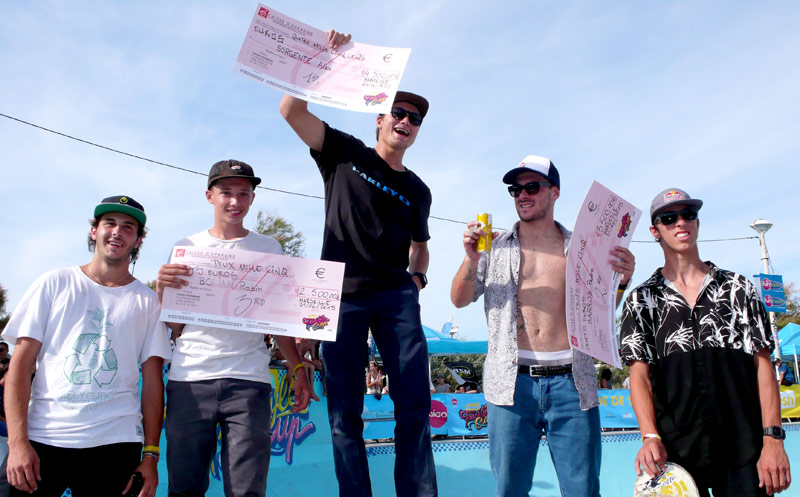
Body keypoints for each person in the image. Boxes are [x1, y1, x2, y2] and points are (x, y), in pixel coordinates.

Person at [279, 29, 437, 497]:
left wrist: (417, 277)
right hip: (338, 296)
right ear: (379, 118)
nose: (406, 120)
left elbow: (421, 245)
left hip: (395, 297)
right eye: (399, 112)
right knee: (343, 413)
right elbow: (291, 110)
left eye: (416, 118)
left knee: (415, 403)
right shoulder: (343, 153)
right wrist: (322, 58)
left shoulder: (419, 190)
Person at [451, 155, 636, 497]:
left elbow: (600, 313)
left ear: (555, 192)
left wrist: (622, 281)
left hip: (572, 384)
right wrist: (470, 258)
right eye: (516, 189)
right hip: (511, 385)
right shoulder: (493, 246)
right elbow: (459, 299)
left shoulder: (580, 249)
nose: (523, 195)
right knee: (510, 491)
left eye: (532, 187)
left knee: (582, 491)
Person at [620, 188, 791, 496]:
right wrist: (649, 436)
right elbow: (639, 376)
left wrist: (773, 439)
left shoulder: (738, 288)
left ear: (697, 223)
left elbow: (764, 365)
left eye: (688, 215)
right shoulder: (642, 300)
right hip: (676, 456)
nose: (680, 223)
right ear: (654, 230)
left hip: (744, 449)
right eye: (669, 218)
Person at [155, 160, 311, 497]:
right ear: (209, 196)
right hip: (189, 379)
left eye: (244, 193)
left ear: (253, 198)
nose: (235, 201)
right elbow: (174, 324)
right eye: (226, 192)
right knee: (184, 487)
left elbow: (278, 319)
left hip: (249, 382)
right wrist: (162, 290)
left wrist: (297, 366)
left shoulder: (270, 249)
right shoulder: (187, 247)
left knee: (246, 490)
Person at [2, 195, 170, 496]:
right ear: (94, 231)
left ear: (138, 239)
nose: (117, 232)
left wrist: (150, 456)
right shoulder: (54, 283)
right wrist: (17, 443)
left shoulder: (148, 302)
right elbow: (21, 364)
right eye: (110, 223)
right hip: (43, 438)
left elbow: (153, 382)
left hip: (115, 444)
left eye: (128, 227)